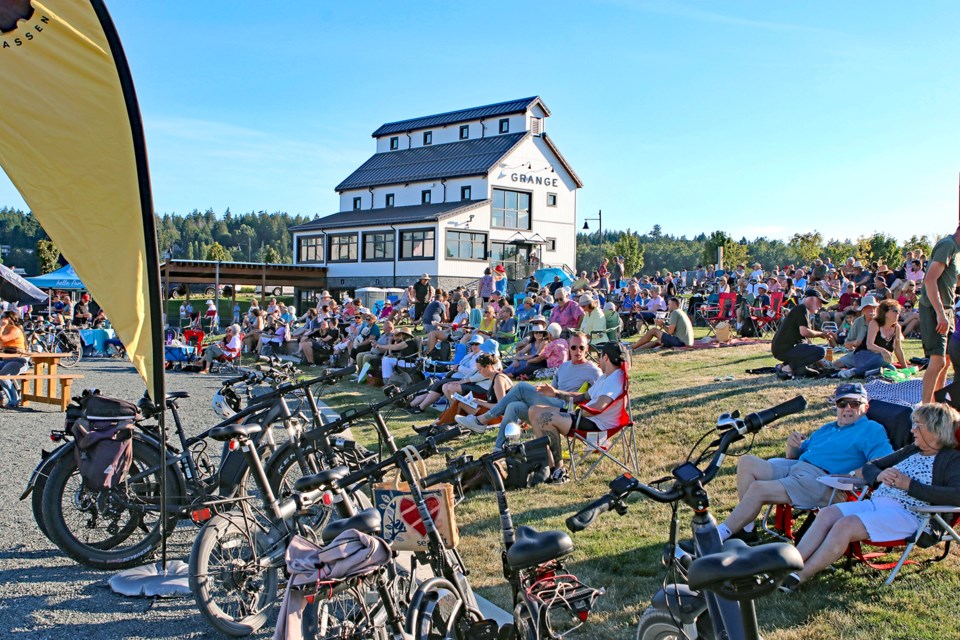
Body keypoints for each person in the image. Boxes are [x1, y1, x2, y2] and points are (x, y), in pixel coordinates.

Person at [785, 402, 960, 591]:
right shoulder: (913, 450)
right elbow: (871, 465)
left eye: (918, 425)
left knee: (846, 525)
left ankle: (800, 576)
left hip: (911, 514)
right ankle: (789, 565)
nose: (912, 430)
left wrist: (910, 485)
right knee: (826, 514)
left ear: (936, 429)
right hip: (878, 503)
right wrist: (879, 475)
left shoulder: (951, 459)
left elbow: (957, 495)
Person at [716, 383, 893, 544]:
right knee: (747, 462)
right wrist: (792, 445)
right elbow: (795, 456)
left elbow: (883, 462)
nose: (847, 408)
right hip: (797, 468)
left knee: (759, 489)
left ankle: (720, 534)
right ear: (836, 406)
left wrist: (852, 476)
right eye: (842, 404)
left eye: (854, 404)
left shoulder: (871, 429)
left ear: (866, 407)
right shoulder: (829, 428)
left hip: (824, 481)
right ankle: (747, 530)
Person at [456, 331, 601, 450]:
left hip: (566, 410)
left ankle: (482, 420)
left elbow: (596, 397)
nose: (577, 351)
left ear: (587, 348)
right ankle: (499, 448)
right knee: (514, 407)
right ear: (569, 347)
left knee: (521, 387)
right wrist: (547, 391)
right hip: (551, 403)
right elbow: (553, 389)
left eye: (581, 347)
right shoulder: (564, 366)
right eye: (574, 347)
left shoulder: (593, 370)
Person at [527, 342, 630, 484]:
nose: (598, 359)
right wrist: (556, 393)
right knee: (534, 410)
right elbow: (583, 397)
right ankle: (548, 466)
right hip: (585, 416)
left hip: (597, 425)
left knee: (546, 418)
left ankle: (559, 469)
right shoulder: (606, 377)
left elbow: (600, 406)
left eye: (599, 356)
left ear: (606, 357)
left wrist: (576, 414)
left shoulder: (616, 378)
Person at [920, 224, 960, 404]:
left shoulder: (956, 250)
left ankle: (938, 405)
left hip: (947, 309)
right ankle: (925, 409)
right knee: (937, 362)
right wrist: (940, 314)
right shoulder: (947, 245)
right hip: (935, 309)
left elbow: (950, 280)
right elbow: (930, 280)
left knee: (946, 360)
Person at [771, 289, 835, 379]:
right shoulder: (802, 309)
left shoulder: (801, 310)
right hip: (786, 348)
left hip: (784, 348)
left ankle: (787, 366)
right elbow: (804, 332)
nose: (820, 306)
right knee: (821, 351)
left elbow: (805, 340)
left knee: (814, 369)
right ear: (812, 299)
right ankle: (788, 368)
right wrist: (822, 334)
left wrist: (817, 360)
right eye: (820, 302)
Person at [838, 299, 906, 379]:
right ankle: (853, 372)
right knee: (883, 359)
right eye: (895, 311)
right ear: (885, 313)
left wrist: (906, 368)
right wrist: (883, 350)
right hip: (863, 355)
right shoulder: (875, 323)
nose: (898, 313)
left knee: (892, 369)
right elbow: (869, 345)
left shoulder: (896, 327)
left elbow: (898, 349)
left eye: (898, 311)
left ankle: (862, 373)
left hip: (880, 358)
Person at [0, 310, 30, 409]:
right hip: (6, 360)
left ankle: (14, 400)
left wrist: (3, 326)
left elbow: (2, 339)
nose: (1, 319)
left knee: (3, 376)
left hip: (18, 360)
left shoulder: (15, 330)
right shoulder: (6, 329)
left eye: (3, 317)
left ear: (9, 319)